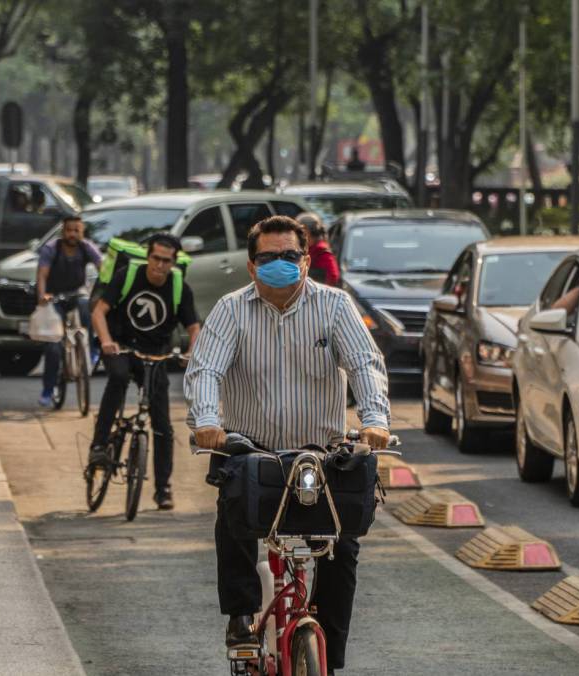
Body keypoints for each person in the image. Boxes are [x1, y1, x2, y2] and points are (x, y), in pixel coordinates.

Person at [185, 215, 391, 672]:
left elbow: (365, 364)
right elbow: (205, 372)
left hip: (322, 454)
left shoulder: (335, 307)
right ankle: (241, 619)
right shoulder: (230, 310)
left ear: (306, 259)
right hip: (248, 450)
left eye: (290, 256)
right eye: (269, 257)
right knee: (232, 517)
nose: (281, 263)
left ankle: (327, 655)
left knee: (344, 543)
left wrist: (374, 420)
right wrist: (206, 421)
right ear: (251, 265)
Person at [89, 233, 201, 510]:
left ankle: (163, 489)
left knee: (161, 422)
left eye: (166, 261)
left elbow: (193, 327)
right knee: (116, 378)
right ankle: (99, 445)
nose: (159, 266)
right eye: (155, 259)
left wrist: (191, 354)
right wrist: (106, 341)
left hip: (156, 353)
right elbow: (99, 311)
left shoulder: (179, 287)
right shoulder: (128, 275)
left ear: (174, 263)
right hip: (122, 346)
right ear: (147, 257)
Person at [36, 215, 102, 408]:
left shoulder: (87, 247)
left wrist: (106, 287)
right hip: (54, 296)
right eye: (69, 230)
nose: (72, 234)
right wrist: (42, 296)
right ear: (63, 232)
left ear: (82, 233)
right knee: (53, 348)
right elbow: (42, 275)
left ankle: (91, 350)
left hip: (77, 293)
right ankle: (48, 390)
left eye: (77, 230)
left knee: (85, 306)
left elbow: (103, 267)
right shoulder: (51, 249)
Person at [298, 212, 340, 287]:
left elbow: (333, 277)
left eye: (297, 230)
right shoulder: (305, 249)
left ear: (305, 231)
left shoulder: (322, 252)